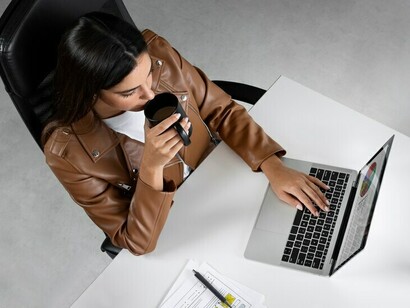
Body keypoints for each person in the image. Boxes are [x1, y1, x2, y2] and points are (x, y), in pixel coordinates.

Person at [42, 12, 330, 256]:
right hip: (185, 226)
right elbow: (136, 241)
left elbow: (222, 110)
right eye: (130, 92)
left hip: (228, 174)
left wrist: (272, 165)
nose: (150, 92)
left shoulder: (159, 55)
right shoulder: (67, 153)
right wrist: (152, 167)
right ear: (90, 91)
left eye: (148, 76)